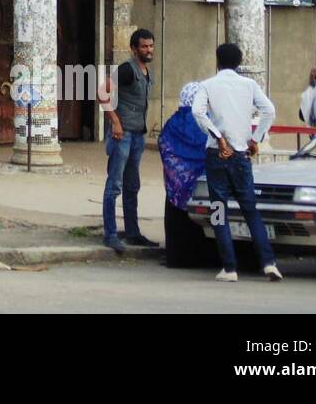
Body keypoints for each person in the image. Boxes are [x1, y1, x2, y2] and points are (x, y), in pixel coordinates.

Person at [191, 42, 282, 282]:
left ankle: (229, 268)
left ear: (217, 61)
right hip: (241, 155)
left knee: (219, 210)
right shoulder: (249, 85)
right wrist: (255, 138)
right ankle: (269, 263)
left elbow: (197, 112)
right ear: (239, 63)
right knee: (250, 210)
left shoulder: (208, 85)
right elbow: (269, 111)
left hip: (217, 154)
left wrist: (218, 137)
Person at [98, 28, 157, 254]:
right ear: (134, 49)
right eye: (144, 46)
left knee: (132, 186)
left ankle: (132, 232)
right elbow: (102, 92)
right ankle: (110, 235)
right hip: (122, 136)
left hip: (137, 136)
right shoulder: (126, 69)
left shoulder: (147, 71)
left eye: (151, 46)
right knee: (114, 185)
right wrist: (115, 121)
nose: (148, 50)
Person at [158, 81, 215, 268]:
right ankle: (209, 258)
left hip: (177, 186)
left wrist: (178, 171)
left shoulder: (174, 122)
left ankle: (178, 258)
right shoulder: (207, 121)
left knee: (178, 222)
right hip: (204, 187)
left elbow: (164, 144)